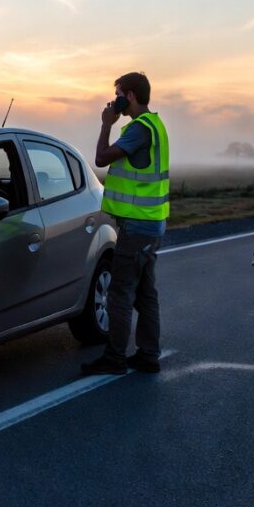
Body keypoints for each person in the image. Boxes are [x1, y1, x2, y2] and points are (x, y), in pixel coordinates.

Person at [82, 71, 170, 375]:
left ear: (130, 96)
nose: (114, 100)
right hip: (152, 223)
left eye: (118, 95)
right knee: (145, 293)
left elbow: (101, 158)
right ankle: (148, 355)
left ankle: (115, 357)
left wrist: (107, 123)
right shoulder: (156, 125)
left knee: (120, 292)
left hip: (136, 227)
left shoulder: (138, 129)